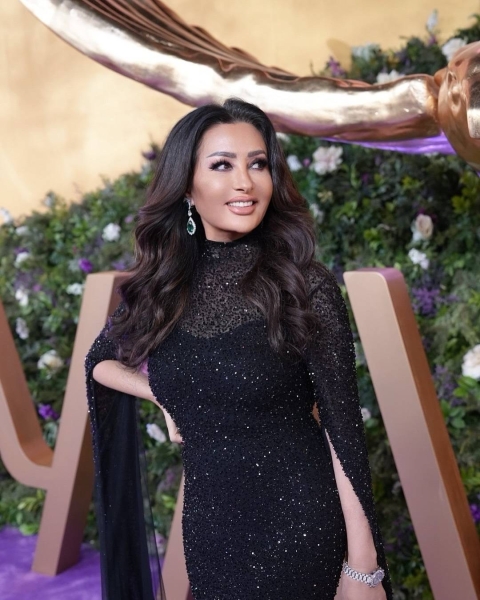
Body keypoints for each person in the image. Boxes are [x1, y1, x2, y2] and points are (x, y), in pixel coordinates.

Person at [85, 98, 392, 600]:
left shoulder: (303, 285)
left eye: (258, 164)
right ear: (186, 186)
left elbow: (344, 435)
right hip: (210, 534)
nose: (245, 182)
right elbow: (100, 362)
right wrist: (164, 395)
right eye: (222, 165)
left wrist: (363, 569)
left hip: (300, 527)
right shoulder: (165, 287)